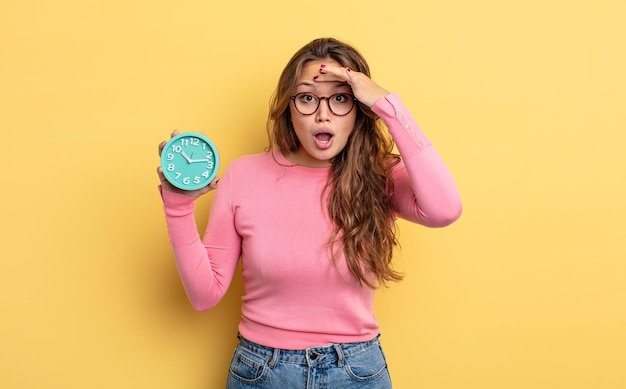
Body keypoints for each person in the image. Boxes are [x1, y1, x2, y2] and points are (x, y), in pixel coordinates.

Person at [157, 37, 462, 388]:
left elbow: (445, 209)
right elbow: (204, 294)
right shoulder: (244, 175)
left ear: (359, 108)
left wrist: (386, 105)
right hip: (261, 372)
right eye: (306, 98)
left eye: (340, 98)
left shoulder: (381, 176)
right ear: (289, 107)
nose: (323, 113)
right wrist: (178, 204)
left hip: (356, 372)